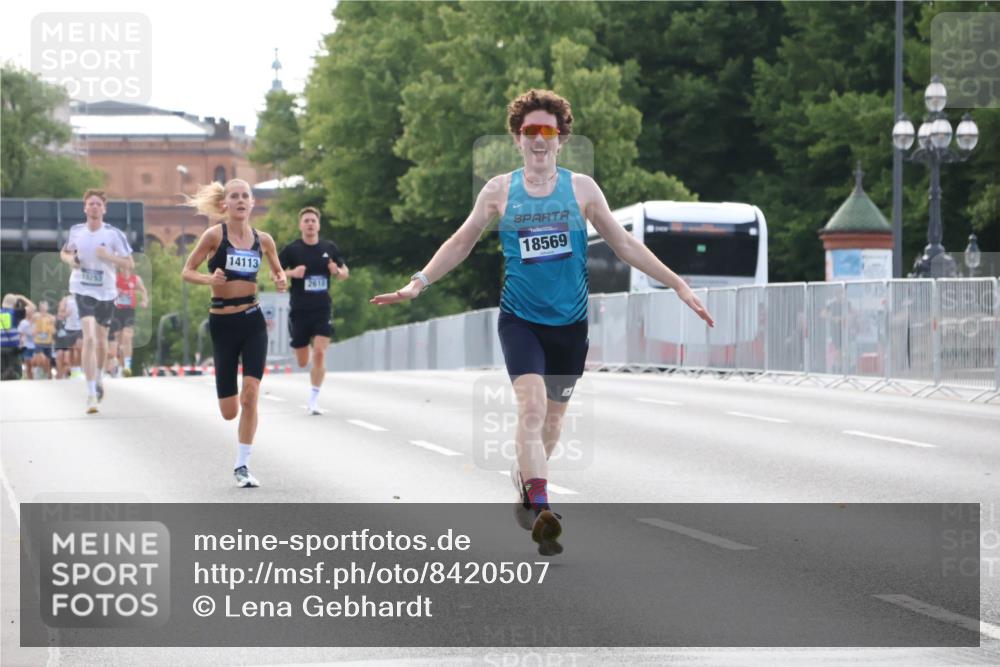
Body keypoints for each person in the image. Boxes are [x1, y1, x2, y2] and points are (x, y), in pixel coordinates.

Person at [372, 89, 714, 556]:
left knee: (551, 424)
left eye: (547, 131)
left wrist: (677, 284)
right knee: (530, 410)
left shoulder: (582, 190)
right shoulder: (498, 191)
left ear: (561, 139)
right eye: (529, 131)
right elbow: (461, 242)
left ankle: (527, 486)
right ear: (517, 139)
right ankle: (543, 509)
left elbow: (625, 245)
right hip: (521, 321)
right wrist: (418, 283)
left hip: (571, 327)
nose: (538, 139)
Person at [181, 178, 286, 488]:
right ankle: (234, 414)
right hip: (222, 323)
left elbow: (278, 271)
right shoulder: (214, 235)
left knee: (251, 395)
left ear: (252, 203)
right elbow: (187, 271)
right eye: (234, 196)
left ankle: (242, 465)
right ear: (225, 204)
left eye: (245, 196)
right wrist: (209, 280)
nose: (240, 201)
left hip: (253, 320)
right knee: (229, 411)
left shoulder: (263, 240)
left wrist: (280, 280)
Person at [60, 189, 135, 413]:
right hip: (82, 289)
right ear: (85, 208)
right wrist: (71, 260)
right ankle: (91, 393)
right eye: (90, 204)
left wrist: (108, 256)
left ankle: (99, 377)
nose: (94, 207)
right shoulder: (76, 231)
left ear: (104, 208)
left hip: (106, 292)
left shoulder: (113, 234)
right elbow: (63, 253)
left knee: (102, 341)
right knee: (89, 338)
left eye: (98, 204)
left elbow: (129, 264)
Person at [278, 207, 349, 414]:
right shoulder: (292, 250)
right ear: (301, 225)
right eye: (306, 221)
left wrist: (337, 271)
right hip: (299, 310)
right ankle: (304, 353)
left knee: (319, 353)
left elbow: (345, 272)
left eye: (313, 221)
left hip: (322, 308)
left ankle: (313, 399)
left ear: (318, 225)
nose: (310, 224)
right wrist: (292, 273)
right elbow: (276, 273)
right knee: (302, 361)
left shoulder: (329, 247)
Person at [107, 265, 148, 377]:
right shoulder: (115, 278)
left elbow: (143, 290)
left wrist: (145, 300)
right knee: (119, 343)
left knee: (127, 336)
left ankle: (127, 366)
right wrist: (116, 292)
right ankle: (119, 367)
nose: (125, 269)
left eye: (127, 267)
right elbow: (107, 291)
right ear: (120, 268)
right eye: (123, 267)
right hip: (116, 311)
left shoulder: (136, 279)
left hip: (129, 310)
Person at [2, 294, 34, 381]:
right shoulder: (15, 313)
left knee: (1, 374)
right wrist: (21, 297)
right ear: (14, 304)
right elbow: (32, 308)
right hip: (13, 348)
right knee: (17, 373)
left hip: (1, 348)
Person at [31, 300, 56, 379]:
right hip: (38, 341)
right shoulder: (36, 316)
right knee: (41, 358)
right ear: (39, 308)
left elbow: (54, 329)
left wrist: (52, 332)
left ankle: (48, 375)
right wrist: (33, 330)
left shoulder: (51, 317)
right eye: (41, 307)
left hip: (48, 341)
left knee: (48, 361)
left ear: (47, 307)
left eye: (45, 306)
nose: (43, 308)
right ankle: (38, 371)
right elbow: (31, 324)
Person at [17, 304, 36, 380]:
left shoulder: (36, 321)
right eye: (27, 311)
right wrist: (20, 344)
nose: (28, 313)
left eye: (30, 311)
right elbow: (20, 334)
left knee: (33, 364)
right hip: (27, 346)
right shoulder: (23, 322)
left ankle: (36, 379)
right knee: (28, 365)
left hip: (36, 346)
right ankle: (30, 380)